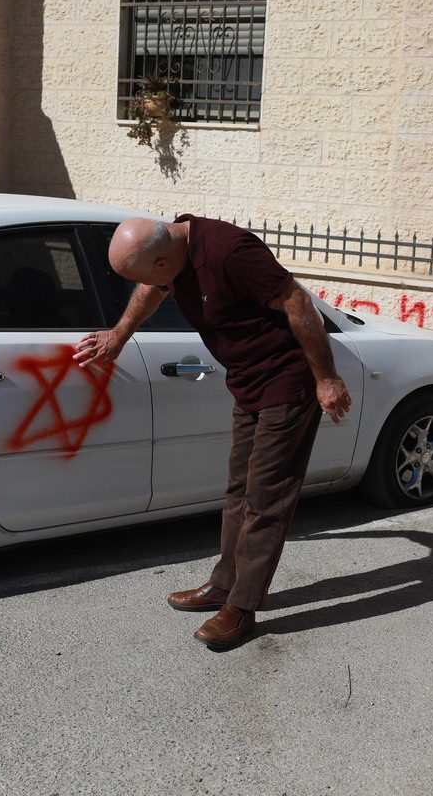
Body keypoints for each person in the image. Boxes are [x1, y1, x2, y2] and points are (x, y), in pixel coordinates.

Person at [74, 215, 352, 650]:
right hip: (246, 383)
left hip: (286, 381)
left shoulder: (231, 252)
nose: (149, 285)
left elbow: (298, 302)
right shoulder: (172, 250)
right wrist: (120, 335)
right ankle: (224, 584)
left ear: (164, 262)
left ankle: (242, 606)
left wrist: (327, 378)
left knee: (266, 497)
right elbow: (151, 288)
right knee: (238, 490)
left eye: (150, 275)